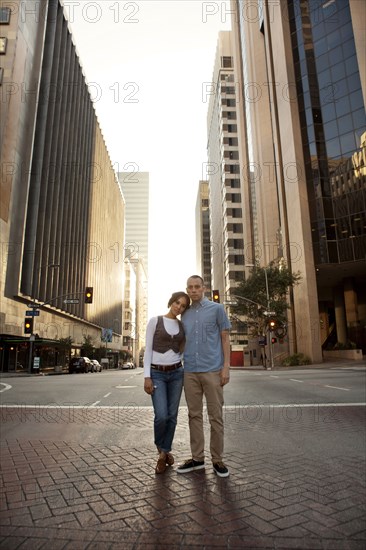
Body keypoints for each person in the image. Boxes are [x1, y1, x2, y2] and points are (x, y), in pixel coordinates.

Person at [177, 275, 231, 478]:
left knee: (215, 417)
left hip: (212, 370)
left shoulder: (217, 309)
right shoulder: (185, 314)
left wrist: (226, 367)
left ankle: (217, 460)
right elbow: (183, 342)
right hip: (190, 371)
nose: (193, 290)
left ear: (204, 288)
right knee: (194, 416)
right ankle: (197, 459)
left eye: (196, 287)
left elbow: (225, 339)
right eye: (189, 287)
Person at [143, 291, 190, 474]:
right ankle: (162, 447)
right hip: (157, 374)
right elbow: (148, 350)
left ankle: (163, 455)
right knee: (161, 415)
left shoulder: (182, 325)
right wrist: (147, 376)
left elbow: (183, 348)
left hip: (177, 373)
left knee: (172, 416)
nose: (179, 307)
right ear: (171, 302)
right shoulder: (155, 321)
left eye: (183, 305)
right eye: (177, 303)